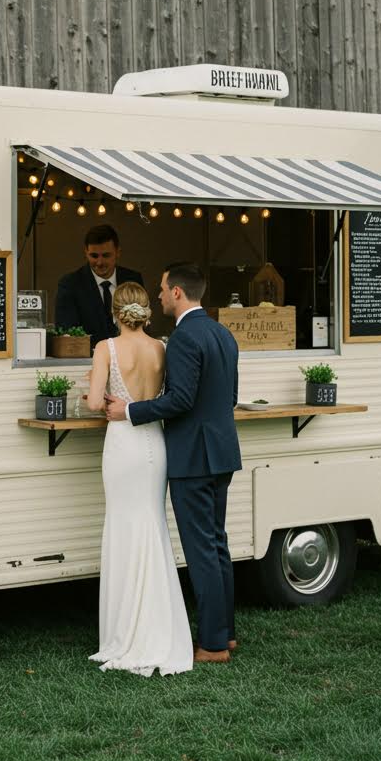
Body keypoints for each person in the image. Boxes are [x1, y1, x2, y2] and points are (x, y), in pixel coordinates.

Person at [105, 263, 241, 664]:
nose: (159, 296)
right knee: (217, 545)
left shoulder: (182, 339)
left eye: (163, 289)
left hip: (193, 458)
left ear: (178, 293)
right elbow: (229, 396)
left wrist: (130, 411)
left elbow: (180, 400)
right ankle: (226, 633)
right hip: (222, 452)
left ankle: (213, 645)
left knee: (201, 551)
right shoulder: (222, 333)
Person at [86, 281, 193, 677]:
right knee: (152, 526)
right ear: (146, 310)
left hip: (123, 445)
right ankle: (158, 627)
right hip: (154, 440)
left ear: (115, 311)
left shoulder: (105, 348)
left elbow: (97, 403)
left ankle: (125, 634)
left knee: (123, 526)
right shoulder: (161, 348)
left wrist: (90, 390)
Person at [54, 225, 143, 349]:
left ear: (118, 252)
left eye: (106, 255)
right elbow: (66, 333)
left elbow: (142, 325)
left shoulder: (133, 279)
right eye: (94, 256)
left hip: (130, 356)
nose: (100, 262)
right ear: (86, 252)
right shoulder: (70, 284)